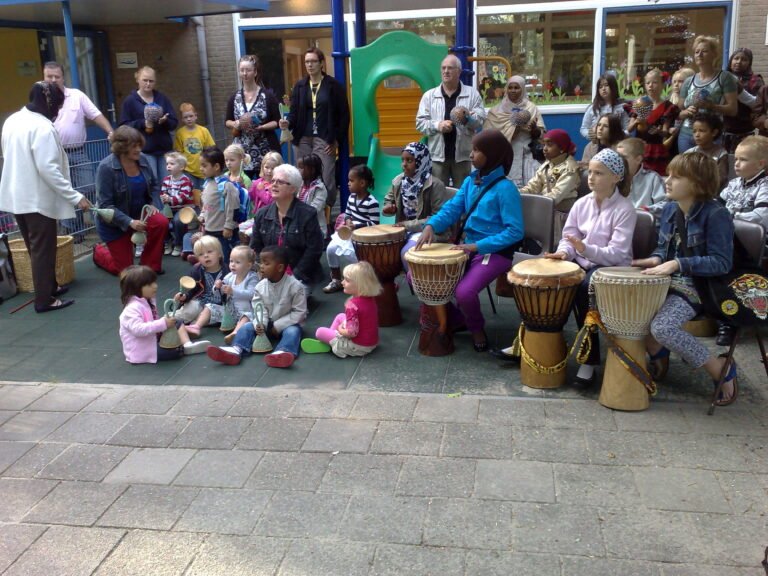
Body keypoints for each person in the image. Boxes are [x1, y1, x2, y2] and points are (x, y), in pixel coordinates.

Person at [632, 152, 737, 406]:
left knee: (663, 328)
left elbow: (722, 263)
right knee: (631, 312)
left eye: (677, 177)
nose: (667, 181)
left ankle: (720, 368)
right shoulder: (671, 209)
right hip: (669, 280)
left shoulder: (716, 214)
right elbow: (664, 248)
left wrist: (679, 264)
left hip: (699, 286)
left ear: (698, 183)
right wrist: (656, 259)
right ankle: (658, 350)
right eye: (669, 174)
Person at [416, 129, 524, 352]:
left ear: (492, 154)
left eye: (477, 150)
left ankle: (476, 328)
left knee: (464, 292)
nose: (471, 154)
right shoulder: (470, 182)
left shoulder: (506, 189)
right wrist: (431, 225)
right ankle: (458, 319)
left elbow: (515, 232)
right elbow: (451, 209)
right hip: (467, 248)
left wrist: (477, 246)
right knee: (418, 277)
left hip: (495, 252)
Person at [543, 149, 636, 387]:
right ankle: (543, 342)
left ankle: (590, 360)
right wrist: (564, 253)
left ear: (616, 177)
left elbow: (617, 254)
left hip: (611, 268)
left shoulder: (625, 209)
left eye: (599, 173)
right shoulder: (581, 203)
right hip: (583, 260)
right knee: (553, 280)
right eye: (590, 172)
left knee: (585, 288)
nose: (591, 178)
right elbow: (569, 237)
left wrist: (584, 249)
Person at [0, 81, 91, 312]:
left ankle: (50, 287)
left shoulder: (13, 120)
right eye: (58, 106)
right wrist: (75, 196)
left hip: (15, 196)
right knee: (43, 249)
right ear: (49, 103)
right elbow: (48, 169)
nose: (58, 112)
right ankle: (44, 300)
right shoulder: (42, 128)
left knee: (35, 247)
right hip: (36, 199)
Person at [43, 61, 113, 238]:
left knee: (88, 186)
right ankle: (74, 231)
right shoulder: (41, 98)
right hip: (53, 154)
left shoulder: (76, 95)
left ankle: (80, 223)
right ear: (43, 77)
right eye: (49, 76)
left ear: (63, 78)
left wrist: (110, 131)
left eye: (57, 76)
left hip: (77, 152)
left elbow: (95, 114)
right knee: (63, 190)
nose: (53, 80)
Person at [207, 245, 307, 368]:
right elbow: (258, 307)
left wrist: (278, 326)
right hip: (266, 325)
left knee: (293, 331)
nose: (261, 266)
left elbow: (299, 312)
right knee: (247, 327)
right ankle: (236, 350)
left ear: (280, 267)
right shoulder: (260, 286)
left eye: (266, 263)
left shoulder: (296, 286)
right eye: (261, 262)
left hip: (287, 325)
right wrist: (260, 324)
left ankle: (283, 352)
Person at [280, 47, 350, 211]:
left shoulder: (333, 86)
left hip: (324, 138)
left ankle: (326, 212)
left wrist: (336, 140)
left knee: (326, 177)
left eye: (313, 61)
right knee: (302, 176)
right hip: (303, 137)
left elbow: (344, 115)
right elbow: (294, 114)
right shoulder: (300, 86)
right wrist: (287, 123)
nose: (309, 65)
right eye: (307, 62)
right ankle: (302, 211)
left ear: (321, 63)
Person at [92, 126, 167, 276]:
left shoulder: (142, 159)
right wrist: (129, 222)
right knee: (126, 272)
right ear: (122, 147)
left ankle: (150, 265)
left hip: (141, 213)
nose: (139, 149)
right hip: (115, 223)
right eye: (134, 146)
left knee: (161, 222)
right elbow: (105, 205)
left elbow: (154, 185)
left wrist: (153, 204)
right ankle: (99, 253)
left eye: (140, 145)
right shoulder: (106, 167)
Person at [250, 163, 324, 291]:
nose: (274, 184)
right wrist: (263, 271)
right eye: (273, 181)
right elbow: (255, 247)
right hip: (269, 274)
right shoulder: (262, 214)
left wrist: (295, 276)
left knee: (288, 299)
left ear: (292, 189)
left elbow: (314, 250)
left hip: (299, 276)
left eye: (280, 182)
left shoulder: (307, 214)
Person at [416, 54, 487, 187]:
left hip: (463, 157)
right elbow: (420, 123)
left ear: (459, 71)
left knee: (463, 193)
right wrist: (438, 125)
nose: (446, 71)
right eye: (443, 68)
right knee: (438, 194)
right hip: (437, 157)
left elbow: (481, 121)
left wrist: (468, 118)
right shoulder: (429, 96)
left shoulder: (472, 94)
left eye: (450, 68)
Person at [118, 265, 210, 364]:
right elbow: (138, 330)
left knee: (176, 322)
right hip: (142, 351)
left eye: (154, 282)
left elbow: (153, 322)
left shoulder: (148, 301)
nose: (155, 286)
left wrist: (166, 323)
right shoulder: (131, 309)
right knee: (176, 352)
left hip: (153, 339)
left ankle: (187, 344)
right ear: (136, 288)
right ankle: (181, 346)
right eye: (149, 284)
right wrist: (163, 324)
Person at [383, 142, 452, 269]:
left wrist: (407, 225)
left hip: (429, 232)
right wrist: (388, 207)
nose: (404, 164)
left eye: (409, 160)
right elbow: (388, 200)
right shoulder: (398, 181)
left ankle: (415, 281)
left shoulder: (435, 185)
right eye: (402, 160)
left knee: (406, 253)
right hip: (405, 230)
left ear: (421, 161)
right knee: (384, 252)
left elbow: (438, 217)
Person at [302, 261, 382, 357]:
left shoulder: (352, 305)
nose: (342, 282)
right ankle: (330, 337)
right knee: (341, 316)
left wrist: (339, 329)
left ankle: (329, 342)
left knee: (320, 332)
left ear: (360, 285)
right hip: (371, 342)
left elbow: (351, 333)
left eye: (347, 280)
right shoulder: (370, 298)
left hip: (357, 346)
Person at [324, 164, 380, 293]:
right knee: (331, 249)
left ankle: (363, 281)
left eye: (351, 180)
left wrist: (357, 226)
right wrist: (348, 220)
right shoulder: (351, 198)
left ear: (362, 183)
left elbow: (375, 223)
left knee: (353, 257)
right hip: (349, 233)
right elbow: (348, 213)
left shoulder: (372, 202)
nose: (348, 183)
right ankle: (336, 279)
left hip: (362, 237)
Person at [677, 36, 738, 153]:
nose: (699, 55)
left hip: (711, 136)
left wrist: (711, 106)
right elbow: (680, 110)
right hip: (686, 135)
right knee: (686, 165)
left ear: (714, 54)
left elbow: (733, 110)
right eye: (696, 52)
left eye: (704, 51)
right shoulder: (688, 81)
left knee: (709, 165)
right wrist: (686, 112)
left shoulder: (725, 78)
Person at [225, 55, 281, 180]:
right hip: (242, 152)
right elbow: (227, 121)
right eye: (242, 70)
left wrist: (262, 127)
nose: (245, 74)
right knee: (243, 184)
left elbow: (277, 121)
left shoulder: (268, 96)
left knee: (266, 185)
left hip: (265, 150)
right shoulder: (234, 97)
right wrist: (236, 124)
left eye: (248, 70)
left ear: (255, 72)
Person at [484, 75, 546, 187]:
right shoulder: (496, 111)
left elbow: (541, 134)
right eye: (510, 87)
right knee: (506, 189)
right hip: (504, 158)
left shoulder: (531, 108)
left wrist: (534, 129)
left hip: (527, 158)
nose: (513, 90)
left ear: (522, 89)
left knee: (530, 190)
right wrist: (512, 132)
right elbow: (487, 136)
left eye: (516, 88)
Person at [119, 66, 178, 181]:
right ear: (137, 79)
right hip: (144, 150)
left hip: (164, 150)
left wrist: (165, 121)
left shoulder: (162, 99)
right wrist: (143, 123)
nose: (148, 84)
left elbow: (174, 122)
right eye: (145, 80)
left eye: (151, 81)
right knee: (150, 182)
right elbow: (124, 126)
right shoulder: (130, 101)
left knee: (168, 182)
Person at [519, 129, 580, 237]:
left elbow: (556, 195)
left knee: (555, 244)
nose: (545, 148)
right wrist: (517, 194)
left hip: (561, 217)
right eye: (544, 144)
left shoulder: (570, 169)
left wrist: (534, 204)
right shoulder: (547, 165)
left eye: (549, 145)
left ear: (561, 148)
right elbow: (532, 187)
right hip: (545, 210)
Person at [627, 68, 680, 176]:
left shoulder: (667, 106)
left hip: (656, 149)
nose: (650, 85)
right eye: (648, 83)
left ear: (662, 85)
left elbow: (665, 132)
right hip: (640, 147)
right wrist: (636, 121)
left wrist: (658, 131)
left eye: (655, 82)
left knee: (656, 176)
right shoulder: (639, 103)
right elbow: (629, 129)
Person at [198, 147, 240, 264]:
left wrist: (229, 226)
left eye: (204, 166)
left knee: (225, 257)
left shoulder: (226, 185)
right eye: (200, 165)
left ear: (216, 167)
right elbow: (206, 203)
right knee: (212, 254)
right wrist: (202, 215)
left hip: (223, 231)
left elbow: (233, 207)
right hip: (209, 229)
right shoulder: (207, 183)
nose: (201, 169)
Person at [173, 235, 224, 324]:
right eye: (201, 254)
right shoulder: (197, 271)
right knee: (191, 309)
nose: (206, 256)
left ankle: (196, 322)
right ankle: (171, 319)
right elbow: (192, 291)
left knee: (222, 314)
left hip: (220, 305)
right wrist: (185, 297)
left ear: (219, 253)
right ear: (197, 258)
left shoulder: (228, 272)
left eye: (209, 252)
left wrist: (225, 288)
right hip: (201, 301)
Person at [725, 48, 764, 153]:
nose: (739, 62)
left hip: (744, 133)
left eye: (744, 59)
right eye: (736, 58)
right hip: (721, 132)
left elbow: (758, 105)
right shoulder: (723, 77)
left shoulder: (755, 80)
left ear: (749, 63)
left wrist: (740, 91)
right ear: (731, 61)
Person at [219, 245, 260, 343]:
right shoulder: (230, 276)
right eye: (231, 261)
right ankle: (197, 326)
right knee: (209, 307)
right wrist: (218, 286)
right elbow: (220, 291)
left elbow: (252, 294)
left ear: (248, 265)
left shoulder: (252, 278)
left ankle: (235, 333)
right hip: (230, 312)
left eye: (237, 262)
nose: (233, 265)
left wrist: (233, 291)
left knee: (247, 317)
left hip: (247, 311)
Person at [240, 151, 282, 242]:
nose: (269, 171)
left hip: (271, 219)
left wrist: (261, 191)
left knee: (250, 234)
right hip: (257, 218)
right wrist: (242, 186)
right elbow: (249, 197)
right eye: (267, 167)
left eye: (273, 168)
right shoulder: (257, 182)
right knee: (240, 229)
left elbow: (270, 202)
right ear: (262, 167)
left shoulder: (278, 185)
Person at [616, 138, 666, 215]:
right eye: (617, 157)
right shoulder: (613, 178)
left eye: (624, 157)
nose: (618, 161)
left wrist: (645, 210)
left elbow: (664, 204)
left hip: (644, 219)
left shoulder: (653, 178)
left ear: (638, 159)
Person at [160, 152, 195, 257]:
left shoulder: (186, 180)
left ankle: (178, 243)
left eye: (172, 163)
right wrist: (163, 197)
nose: (168, 166)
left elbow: (183, 197)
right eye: (167, 164)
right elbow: (163, 192)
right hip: (170, 208)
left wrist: (170, 199)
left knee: (178, 221)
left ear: (181, 167)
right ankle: (167, 240)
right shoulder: (166, 180)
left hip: (183, 208)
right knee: (160, 220)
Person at [174, 102, 215, 190]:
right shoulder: (180, 133)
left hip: (203, 169)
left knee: (205, 193)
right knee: (192, 193)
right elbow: (179, 153)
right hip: (188, 171)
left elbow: (211, 149)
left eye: (191, 116)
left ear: (196, 116)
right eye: (186, 117)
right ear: (182, 119)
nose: (189, 119)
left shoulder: (203, 131)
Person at [684, 112, 729, 192]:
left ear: (714, 132)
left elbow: (721, 179)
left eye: (701, 131)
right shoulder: (689, 153)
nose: (697, 135)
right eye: (694, 131)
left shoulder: (721, 154)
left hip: (712, 193)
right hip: (690, 192)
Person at [580, 73, 629, 142]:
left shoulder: (622, 107)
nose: (603, 89)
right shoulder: (593, 108)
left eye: (606, 85)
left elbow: (627, 129)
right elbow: (584, 128)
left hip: (617, 143)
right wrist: (590, 134)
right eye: (600, 87)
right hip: (596, 144)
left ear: (613, 87)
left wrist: (619, 135)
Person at [297, 154, 328, 235]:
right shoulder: (299, 185)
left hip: (316, 230)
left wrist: (296, 212)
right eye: (298, 167)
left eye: (301, 168)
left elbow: (313, 210)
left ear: (312, 170)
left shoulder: (320, 188)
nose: (298, 170)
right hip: (300, 227)